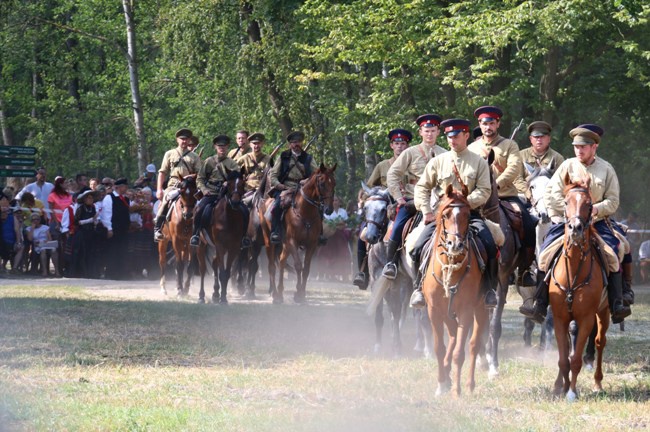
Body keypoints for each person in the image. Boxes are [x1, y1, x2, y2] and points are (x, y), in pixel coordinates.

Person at [519, 127, 631, 324]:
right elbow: (552, 193)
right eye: (576, 147)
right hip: (567, 222)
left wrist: (595, 209)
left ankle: (617, 303)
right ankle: (540, 303)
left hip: (596, 223)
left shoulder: (606, 169)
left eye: (583, 147)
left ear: (594, 147)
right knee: (545, 254)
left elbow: (613, 201)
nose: (579, 150)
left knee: (616, 253)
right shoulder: (567, 166)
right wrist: (564, 214)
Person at [410, 118, 497, 307]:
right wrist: (426, 211)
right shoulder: (438, 162)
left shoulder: (479, 162)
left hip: (470, 214)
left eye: (456, 136)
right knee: (417, 248)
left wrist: (465, 204)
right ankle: (418, 289)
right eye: (449, 136)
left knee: (490, 245)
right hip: (443, 216)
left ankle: (489, 290)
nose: (452, 140)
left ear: (466, 135)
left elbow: (484, 190)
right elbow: (422, 187)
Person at [468, 105, 537, 281]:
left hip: (506, 195)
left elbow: (514, 168)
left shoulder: (510, 145)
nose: (488, 127)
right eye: (484, 123)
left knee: (528, 225)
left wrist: (496, 185)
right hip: (479, 198)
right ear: (480, 124)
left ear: (498, 124)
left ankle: (525, 270)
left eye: (491, 123)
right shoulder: (472, 148)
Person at [383, 114, 447, 279]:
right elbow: (392, 174)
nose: (429, 134)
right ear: (420, 132)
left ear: (438, 132)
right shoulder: (410, 152)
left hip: (439, 201)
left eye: (433, 131)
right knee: (397, 227)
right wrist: (398, 197)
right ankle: (391, 263)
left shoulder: (446, 154)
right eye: (426, 131)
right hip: (413, 200)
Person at [353, 128, 411, 289]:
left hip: (408, 205)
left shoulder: (413, 163)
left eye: (403, 143)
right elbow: (368, 187)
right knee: (363, 235)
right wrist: (363, 200)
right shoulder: (382, 165)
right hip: (384, 208)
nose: (400, 146)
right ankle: (362, 273)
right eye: (397, 143)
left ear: (408, 146)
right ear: (392, 145)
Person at [514, 120, 566, 285]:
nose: (539, 140)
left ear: (549, 139)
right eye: (536, 137)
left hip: (550, 200)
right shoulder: (520, 155)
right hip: (525, 198)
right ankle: (517, 263)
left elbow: (562, 182)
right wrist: (529, 194)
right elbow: (516, 178)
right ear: (530, 139)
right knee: (512, 222)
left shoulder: (557, 158)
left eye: (543, 137)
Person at [191, 135, 247, 247]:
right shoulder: (209, 161)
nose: (222, 148)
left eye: (224, 146)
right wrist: (204, 189)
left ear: (227, 147)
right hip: (211, 192)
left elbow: (238, 178)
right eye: (219, 146)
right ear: (215, 147)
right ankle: (196, 234)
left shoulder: (232, 163)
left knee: (244, 210)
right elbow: (200, 178)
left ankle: (243, 237)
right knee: (199, 209)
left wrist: (229, 183)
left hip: (226, 194)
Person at [267, 130, 318, 244]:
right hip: (286, 188)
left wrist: (307, 180)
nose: (296, 144)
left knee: (319, 207)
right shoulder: (283, 156)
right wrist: (280, 186)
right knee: (276, 206)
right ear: (290, 144)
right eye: (294, 142)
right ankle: (275, 232)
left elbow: (316, 174)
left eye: (298, 142)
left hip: (304, 190)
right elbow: (273, 175)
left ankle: (319, 233)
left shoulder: (308, 158)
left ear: (302, 143)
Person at [154, 128, 202, 242]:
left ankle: (200, 231)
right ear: (177, 140)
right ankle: (158, 228)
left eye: (186, 139)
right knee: (166, 199)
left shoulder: (194, 156)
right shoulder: (169, 153)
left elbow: (200, 173)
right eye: (182, 139)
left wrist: (189, 177)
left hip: (190, 186)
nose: (184, 141)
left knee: (201, 203)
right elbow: (162, 172)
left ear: (189, 140)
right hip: (174, 184)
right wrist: (159, 189)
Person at [100, 177, 131, 280]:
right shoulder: (109, 198)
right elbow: (106, 214)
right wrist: (109, 228)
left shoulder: (125, 199)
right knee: (113, 251)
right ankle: (111, 273)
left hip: (124, 229)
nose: (126, 188)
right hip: (114, 228)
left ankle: (122, 272)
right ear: (119, 187)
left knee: (123, 251)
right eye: (125, 186)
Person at [26, 212, 60, 277]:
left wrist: (47, 241)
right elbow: (30, 239)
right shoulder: (29, 229)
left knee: (54, 250)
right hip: (37, 245)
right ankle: (44, 271)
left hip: (46, 243)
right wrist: (32, 228)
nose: (36, 221)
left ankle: (57, 271)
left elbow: (50, 238)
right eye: (33, 219)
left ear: (39, 220)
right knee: (43, 250)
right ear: (31, 221)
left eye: (37, 219)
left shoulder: (45, 227)